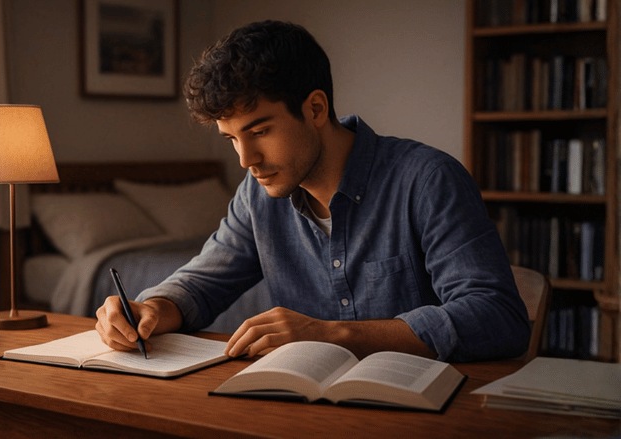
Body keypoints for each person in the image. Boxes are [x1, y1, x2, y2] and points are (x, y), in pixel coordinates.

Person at [95, 20, 530, 362]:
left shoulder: (428, 179)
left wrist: (330, 334)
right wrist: (152, 308)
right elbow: (202, 282)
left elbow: (499, 316)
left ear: (316, 108)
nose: (246, 159)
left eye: (260, 131)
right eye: (231, 139)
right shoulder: (257, 194)